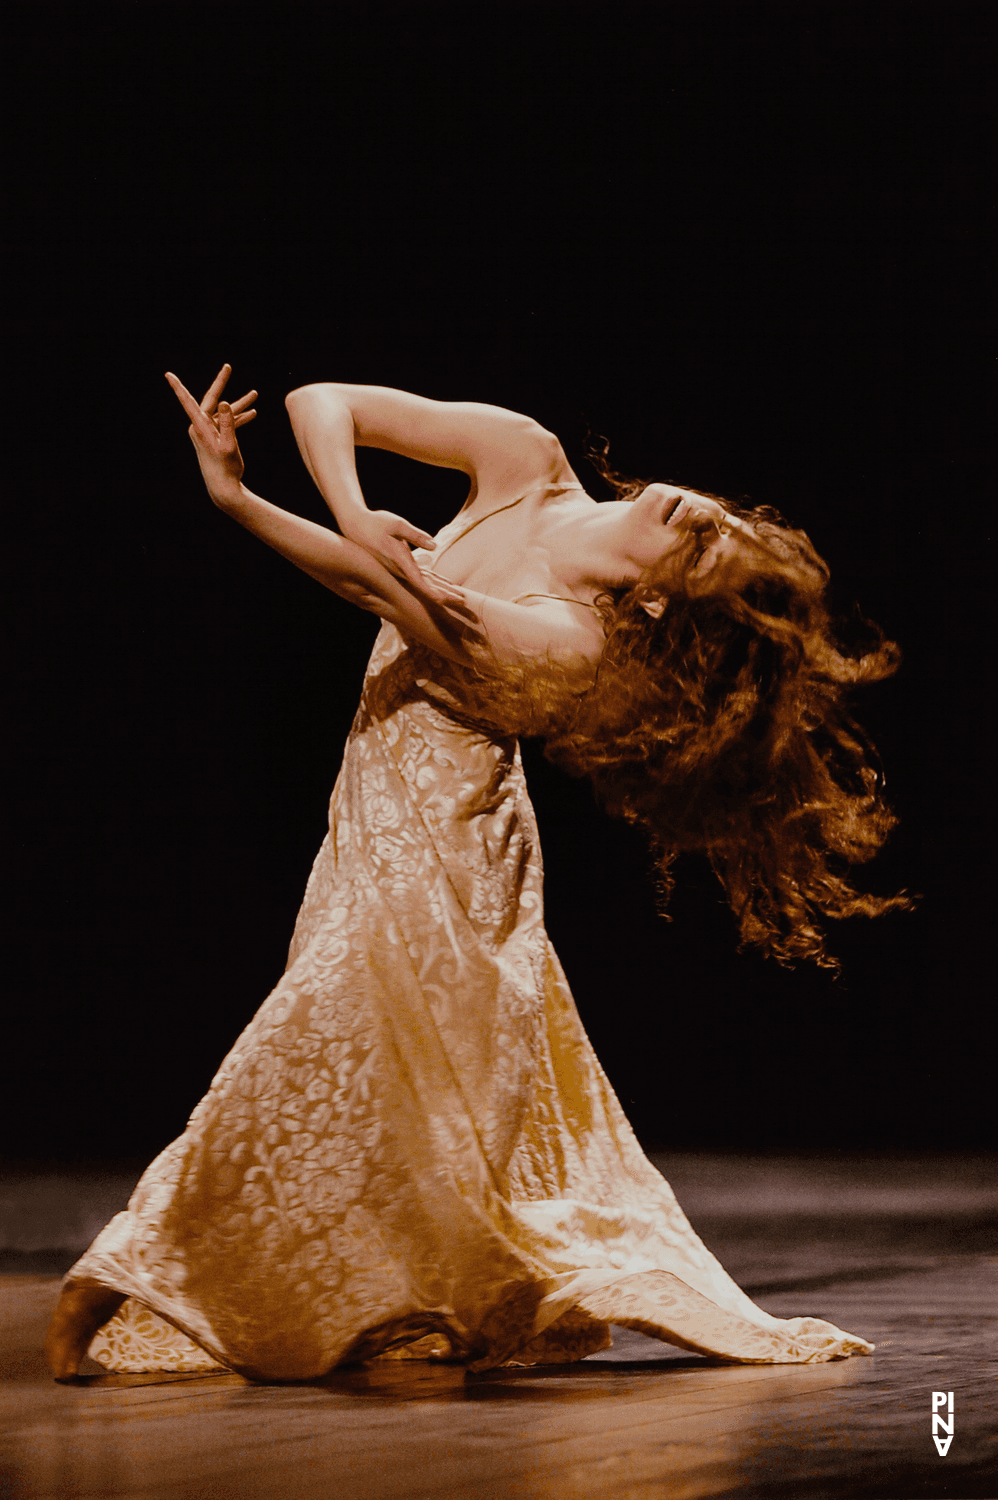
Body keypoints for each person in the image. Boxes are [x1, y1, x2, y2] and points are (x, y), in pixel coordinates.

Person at [46, 366, 906, 1382]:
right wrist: (355, 505)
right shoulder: (527, 460)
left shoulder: (572, 638)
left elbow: (377, 586)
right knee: (389, 1090)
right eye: (722, 517)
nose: (697, 517)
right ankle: (382, 1317)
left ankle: (121, 1275)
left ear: (662, 599)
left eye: (707, 546)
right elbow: (325, 402)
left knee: (334, 1054)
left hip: (445, 856)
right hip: (371, 821)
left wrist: (234, 501)